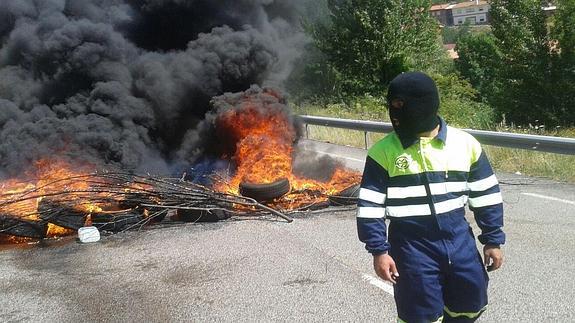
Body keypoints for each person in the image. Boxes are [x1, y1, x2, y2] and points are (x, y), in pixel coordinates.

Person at [356, 71, 505, 322]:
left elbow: (486, 195)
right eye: (392, 105)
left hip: (460, 242)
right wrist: (379, 251)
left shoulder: (465, 144)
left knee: (471, 302)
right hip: (411, 248)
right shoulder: (383, 152)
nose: (395, 113)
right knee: (419, 314)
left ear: (424, 103)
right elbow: (370, 207)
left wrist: (492, 240)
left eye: (401, 105)